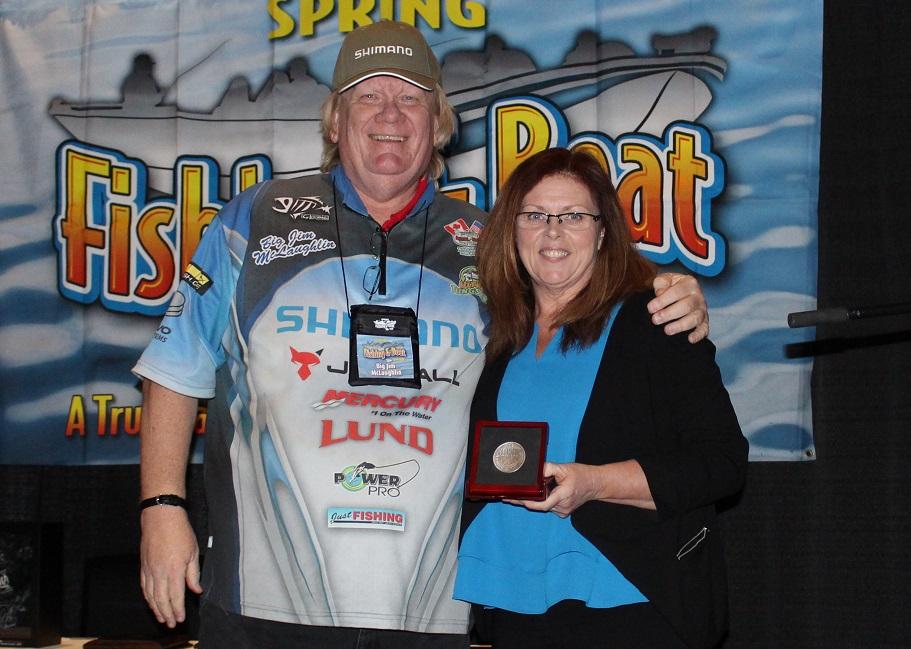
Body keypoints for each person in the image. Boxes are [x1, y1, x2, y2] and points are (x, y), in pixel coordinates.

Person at [133, 21, 710, 648]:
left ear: (438, 124)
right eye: (368, 95)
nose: (391, 114)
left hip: (431, 611)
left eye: (411, 98)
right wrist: (161, 510)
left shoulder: (488, 242)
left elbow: (581, 280)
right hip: (263, 602)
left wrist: (669, 289)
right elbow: (174, 370)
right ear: (334, 120)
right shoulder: (253, 218)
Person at [455, 147, 748, 649]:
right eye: (535, 215)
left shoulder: (656, 320)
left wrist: (593, 483)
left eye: (573, 216)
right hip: (510, 606)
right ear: (512, 230)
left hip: (628, 604)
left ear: (603, 232)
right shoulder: (499, 337)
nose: (553, 231)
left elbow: (722, 463)